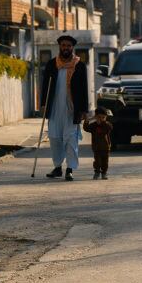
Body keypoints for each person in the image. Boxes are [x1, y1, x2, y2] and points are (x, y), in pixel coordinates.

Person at [41, 34, 89, 181]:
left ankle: (70, 169)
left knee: (70, 139)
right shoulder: (52, 64)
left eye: (68, 46)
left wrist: (83, 110)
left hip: (71, 109)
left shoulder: (79, 66)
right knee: (55, 138)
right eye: (63, 45)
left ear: (72, 48)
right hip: (55, 108)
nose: (66, 48)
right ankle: (57, 167)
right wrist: (43, 104)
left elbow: (83, 89)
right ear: (60, 47)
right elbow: (45, 86)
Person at [84, 107, 113, 180]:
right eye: (99, 117)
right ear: (95, 117)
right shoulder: (93, 125)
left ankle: (104, 173)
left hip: (106, 147)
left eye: (103, 117)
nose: (101, 119)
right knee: (97, 162)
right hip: (96, 148)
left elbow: (110, 127)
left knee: (105, 162)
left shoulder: (106, 125)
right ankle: (97, 172)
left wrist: (103, 122)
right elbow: (86, 128)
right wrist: (87, 120)